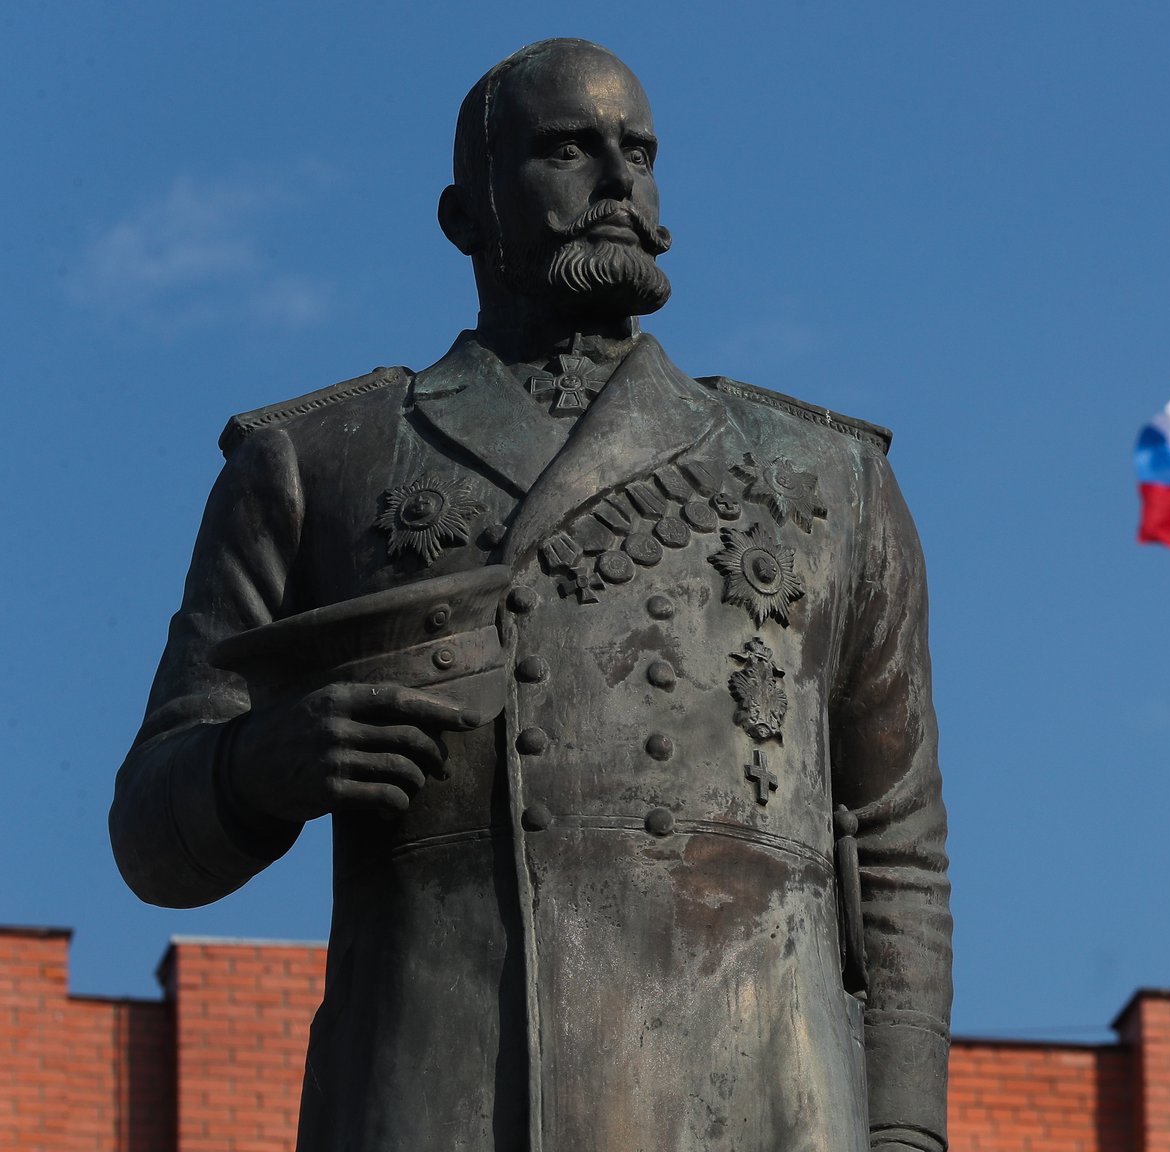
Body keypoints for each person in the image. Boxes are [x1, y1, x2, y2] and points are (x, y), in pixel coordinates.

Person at [110, 38, 951, 1152]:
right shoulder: (319, 464)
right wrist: (258, 765)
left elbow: (893, 840)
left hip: (760, 1093)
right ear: (467, 213)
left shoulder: (827, 478)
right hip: (441, 1081)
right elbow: (150, 831)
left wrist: (901, 1131)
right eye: (568, 150)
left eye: (638, 153)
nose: (617, 183)